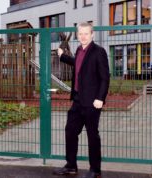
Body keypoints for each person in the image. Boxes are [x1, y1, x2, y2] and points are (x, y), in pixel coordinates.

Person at [53, 22, 110, 178]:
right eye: (80, 34)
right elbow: (77, 64)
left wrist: (100, 98)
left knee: (92, 136)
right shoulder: (79, 50)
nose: (83, 36)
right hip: (77, 100)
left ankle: (95, 170)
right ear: (77, 35)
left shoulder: (99, 52)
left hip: (92, 102)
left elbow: (105, 77)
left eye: (86, 33)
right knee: (70, 131)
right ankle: (71, 166)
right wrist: (62, 56)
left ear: (92, 34)